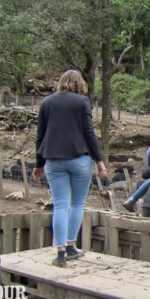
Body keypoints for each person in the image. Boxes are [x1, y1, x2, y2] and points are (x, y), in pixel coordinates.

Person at [32, 70, 107, 268]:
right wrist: (99, 160)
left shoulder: (47, 103)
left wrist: (39, 163)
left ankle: (60, 253)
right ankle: (71, 245)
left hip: (54, 160)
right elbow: (89, 132)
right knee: (76, 204)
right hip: (80, 159)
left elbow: (41, 135)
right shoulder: (82, 102)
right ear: (79, 84)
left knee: (60, 204)